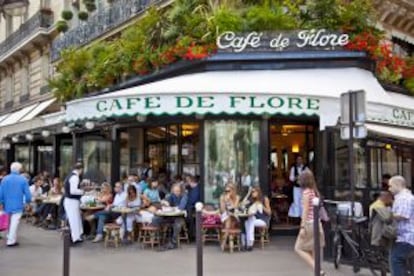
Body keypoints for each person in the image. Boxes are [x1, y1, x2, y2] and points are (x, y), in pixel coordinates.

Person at [294, 170, 325, 275]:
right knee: (314, 251)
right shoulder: (314, 191)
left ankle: (318, 270)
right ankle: (317, 271)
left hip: (309, 224)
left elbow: (305, 211)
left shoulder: (306, 192)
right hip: (316, 223)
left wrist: (302, 227)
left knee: (298, 248)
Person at [0, 162, 31, 246]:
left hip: (7, 204)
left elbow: (1, 192)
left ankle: (10, 236)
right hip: (18, 204)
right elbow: (27, 194)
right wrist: (28, 202)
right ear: (19, 170)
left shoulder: (5, 179)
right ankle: (11, 240)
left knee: (9, 221)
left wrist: (1, 202)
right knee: (15, 222)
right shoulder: (23, 179)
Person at [388, 175, 414, 276]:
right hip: (407, 237)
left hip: (405, 237)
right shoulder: (406, 196)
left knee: (396, 260)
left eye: (390, 186)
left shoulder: (404, 198)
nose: (389, 189)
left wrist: (388, 215)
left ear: (397, 185)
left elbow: (403, 215)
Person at [153, 183, 188, 250]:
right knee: (155, 219)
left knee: (177, 225)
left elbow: (181, 207)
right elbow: (166, 202)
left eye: (178, 191)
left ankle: (173, 242)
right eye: (175, 191)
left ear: (181, 190)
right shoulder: (171, 195)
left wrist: (173, 207)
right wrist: (164, 202)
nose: (176, 193)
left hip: (180, 217)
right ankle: (160, 239)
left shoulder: (184, 196)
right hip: (170, 216)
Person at [243, 185, 271, 251]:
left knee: (251, 222)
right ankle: (248, 243)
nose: (252, 193)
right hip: (255, 219)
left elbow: (269, 213)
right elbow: (242, 204)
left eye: (253, 192)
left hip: (264, 220)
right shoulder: (252, 199)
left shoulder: (264, 199)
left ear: (258, 192)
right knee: (247, 222)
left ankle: (250, 243)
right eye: (251, 192)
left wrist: (261, 205)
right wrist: (248, 193)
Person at [63, 163, 85, 245]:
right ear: (80, 169)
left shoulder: (70, 176)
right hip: (72, 201)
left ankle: (77, 237)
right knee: (74, 220)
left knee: (75, 219)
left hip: (69, 200)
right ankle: (73, 239)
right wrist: (83, 191)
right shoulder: (75, 177)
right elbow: (73, 191)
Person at [219, 182, 240, 251]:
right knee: (229, 218)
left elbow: (235, 208)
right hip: (225, 215)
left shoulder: (237, 197)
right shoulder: (222, 197)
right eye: (226, 191)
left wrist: (230, 200)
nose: (227, 192)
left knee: (231, 218)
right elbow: (222, 210)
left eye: (229, 190)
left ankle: (224, 241)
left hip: (234, 215)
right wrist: (225, 201)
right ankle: (227, 240)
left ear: (233, 190)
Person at [288, 155, 307, 219]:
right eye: (298, 159)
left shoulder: (305, 168)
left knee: (303, 201)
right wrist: (296, 177)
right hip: (296, 188)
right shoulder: (293, 168)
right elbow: (291, 178)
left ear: (302, 160)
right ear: (296, 160)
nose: (299, 161)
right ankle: (296, 217)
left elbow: (309, 176)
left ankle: (303, 217)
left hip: (303, 188)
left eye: (300, 159)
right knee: (296, 202)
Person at [185, 175, 200, 241]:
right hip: (192, 207)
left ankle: (191, 234)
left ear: (193, 182)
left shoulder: (195, 190)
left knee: (189, 217)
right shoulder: (194, 189)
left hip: (193, 208)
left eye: (190, 183)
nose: (189, 184)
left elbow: (192, 200)